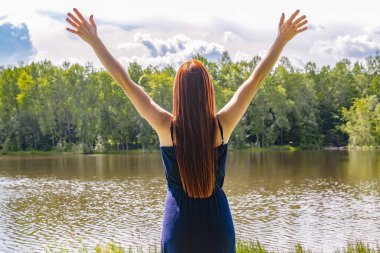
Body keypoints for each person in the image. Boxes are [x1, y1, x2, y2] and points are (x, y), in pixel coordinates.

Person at [65, 8, 307, 253]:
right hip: (218, 227)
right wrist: (281, 40)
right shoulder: (223, 126)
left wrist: (95, 41)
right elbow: (256, 78)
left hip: (179, 227)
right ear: (208, 92)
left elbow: (125, 82)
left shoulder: (165, 127)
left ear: (178, 93)